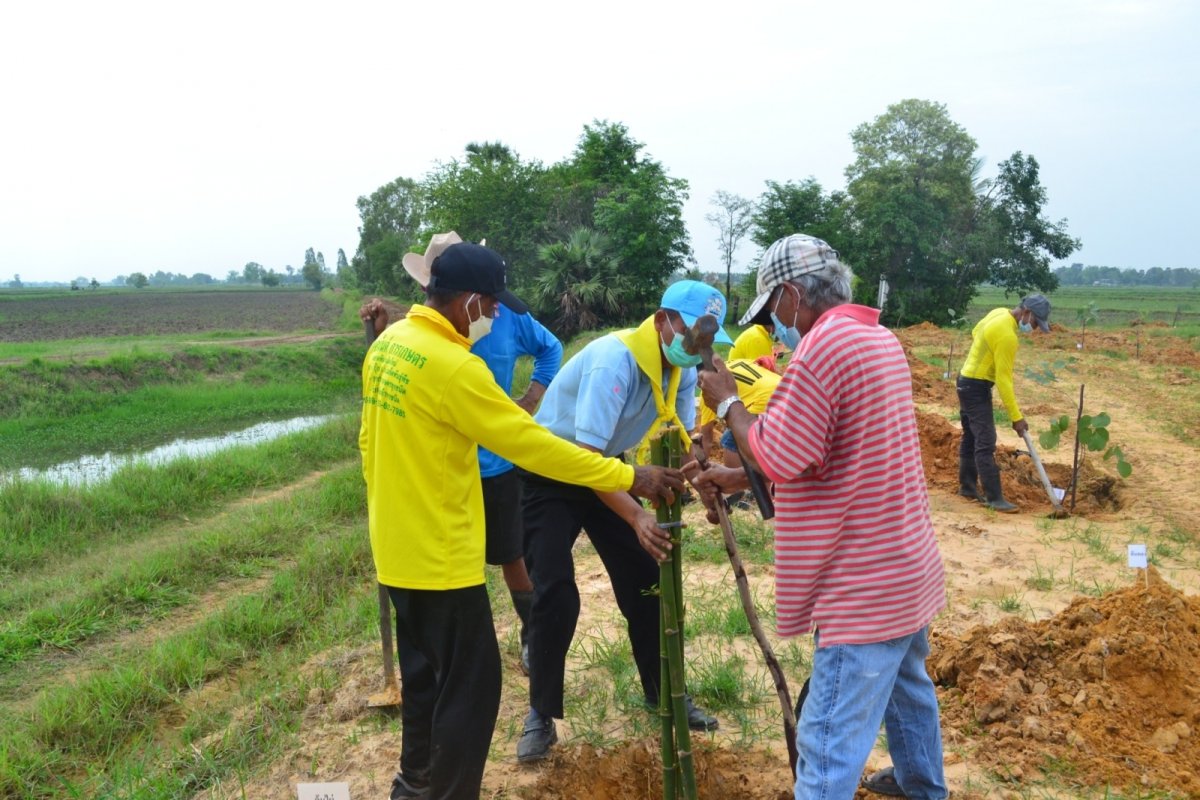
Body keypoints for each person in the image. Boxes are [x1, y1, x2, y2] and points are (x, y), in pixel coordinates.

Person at [359, 241, 684, 800]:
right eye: (490, 305)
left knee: (424, 682)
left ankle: (413, 786)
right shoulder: (454, 366)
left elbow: (368, 445)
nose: (494, 315)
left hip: (394, 550)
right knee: (472, 690)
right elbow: (533, 447)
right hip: (441, 558)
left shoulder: (389, 346)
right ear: (467, 302)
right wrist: (630, 478)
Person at [689, 234, 948, 800]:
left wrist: (730, 402)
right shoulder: (875, 337)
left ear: (790, 294)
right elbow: (831, 454)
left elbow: (778, 452)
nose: (778, 326)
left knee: (827, 742)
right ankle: (923, 787)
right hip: (906, 566)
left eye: (772, 310)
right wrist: (740, 477)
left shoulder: (823, 345)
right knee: (908, 692)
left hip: (863, 584)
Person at [516, 279, 731, 763]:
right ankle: (540, 715)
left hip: (610, 468)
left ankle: (664, 693)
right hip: (554, 472)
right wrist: (636, 515)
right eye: (694, 334)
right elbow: (585, 458)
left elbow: (676, 441)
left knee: (645, 581)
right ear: (662, 320)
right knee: (554, 591)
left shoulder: (681, 367)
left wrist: (705, 481)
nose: (700, 348)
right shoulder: (615, 360)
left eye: (707, 339)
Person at [362, 230, 563, 672]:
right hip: (443, 474)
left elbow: (551, 349)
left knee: (511, 554)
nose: (428, 293)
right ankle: (458, 646)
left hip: (494, 462)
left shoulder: (502, 315)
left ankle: (532, 635)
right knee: (457, 564)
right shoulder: (419, 334)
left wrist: (529, 400)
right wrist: (381, 336)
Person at [957, 293, 1052, 513]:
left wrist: (984, 356)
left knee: (971, 435)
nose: (1035, 329)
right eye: (1036, 323)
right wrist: (1016, 417)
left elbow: (976, 332)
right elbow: (1003, 380)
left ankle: (968, 487)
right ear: (1027, 313)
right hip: (976, 386)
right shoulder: (1008, 335)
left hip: (965, 378)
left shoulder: (998, 313)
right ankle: (995, 498)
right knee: (986, 440)